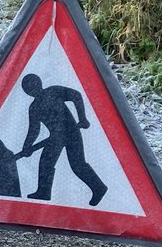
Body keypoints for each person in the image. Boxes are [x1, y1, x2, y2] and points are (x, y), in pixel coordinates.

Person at [16, 73, 107, 206]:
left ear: (39, 83)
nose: (32, 90)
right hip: (55, 137)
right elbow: (34, 130)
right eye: (28, 89)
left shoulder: (53, 91)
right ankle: (43, 192)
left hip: (71, 132)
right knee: (45, 163)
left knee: (78, 165)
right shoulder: (34, 107)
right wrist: (27, 146)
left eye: (33, 86)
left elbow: (76, 96)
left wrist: (82, 118)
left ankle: (99, 188)